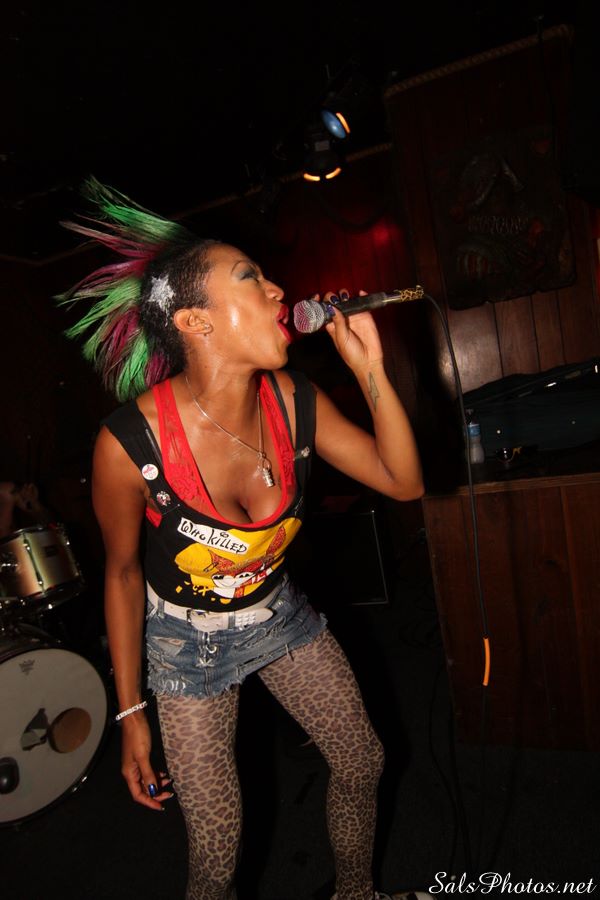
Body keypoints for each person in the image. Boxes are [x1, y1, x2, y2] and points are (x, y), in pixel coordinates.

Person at [59, 179, 424, 900]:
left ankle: (356, 893)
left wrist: (371, 371)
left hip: (277, 614)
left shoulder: (294, 401)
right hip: (184, 645)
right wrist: (131, 714)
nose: (278, 288)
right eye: (251, 277)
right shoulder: (128, 444)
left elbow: (403, 482)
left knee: (363, 760)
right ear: (196, 321)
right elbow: (123, 574)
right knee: (216, 854)